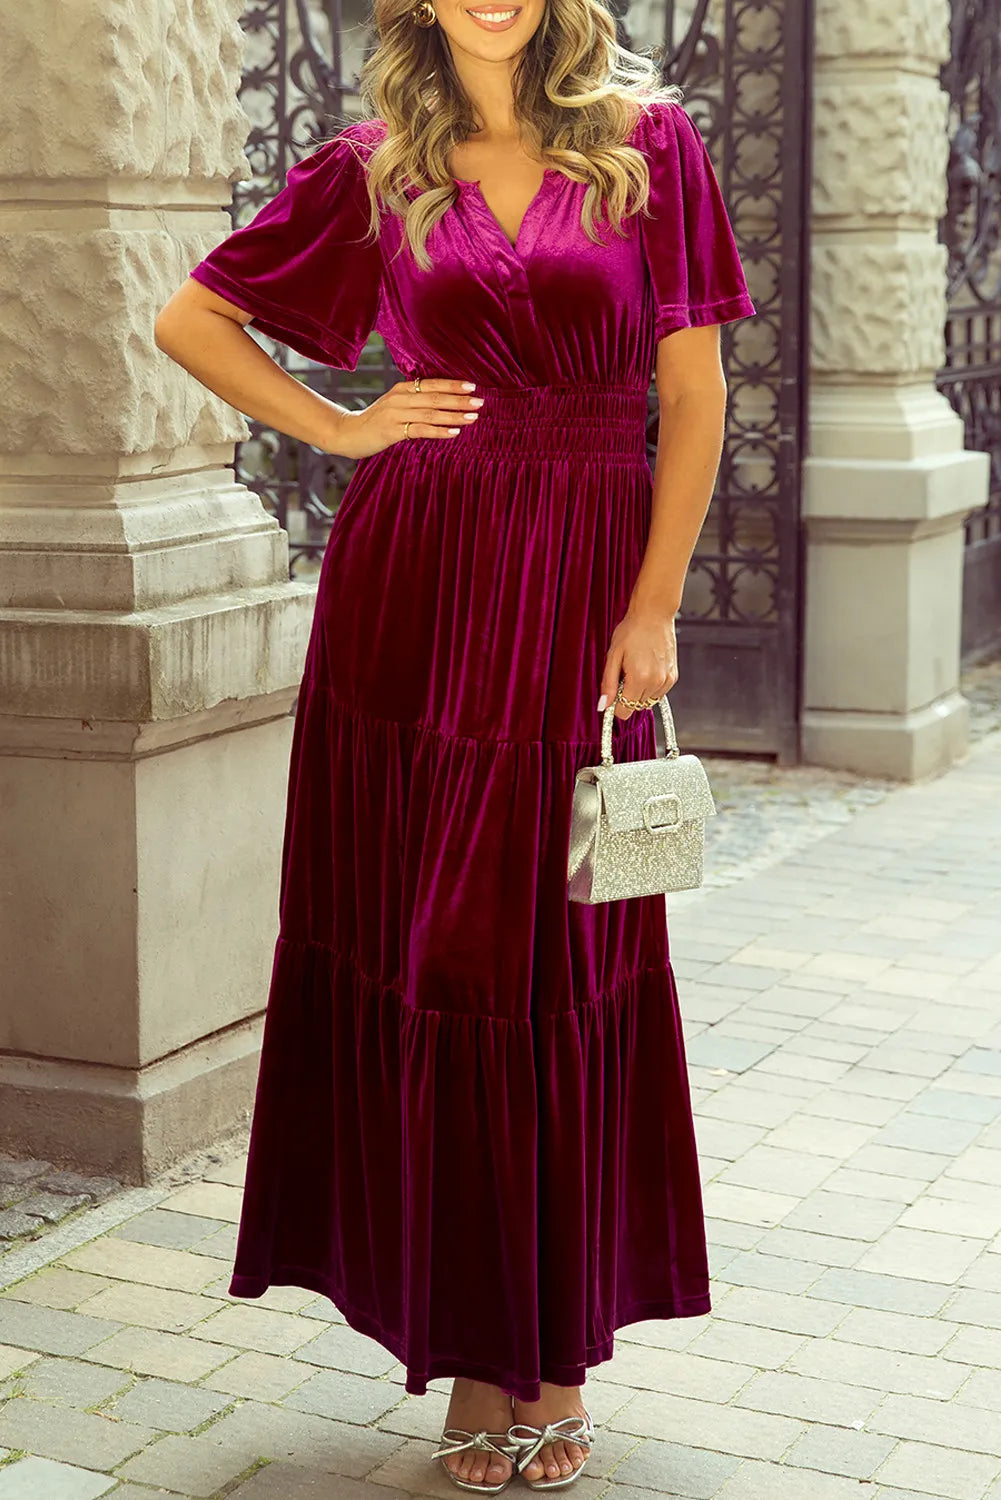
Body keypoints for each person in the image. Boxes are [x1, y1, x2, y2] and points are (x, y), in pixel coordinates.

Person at [154, 0, 755, 1490]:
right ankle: (473, 1360)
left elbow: (692, 395)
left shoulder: (648, 144)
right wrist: (344, 430)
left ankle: (553, 1358)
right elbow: (189, 318)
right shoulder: (375, 165)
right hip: (416, 590)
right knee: (436, 957)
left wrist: (655, 605)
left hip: (578, 581)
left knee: (548, 960)